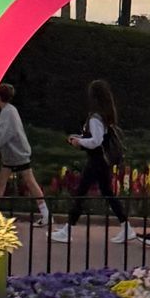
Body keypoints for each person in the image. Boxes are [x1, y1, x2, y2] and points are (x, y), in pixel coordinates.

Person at [56, 78, 129, 239]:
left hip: (96, 161)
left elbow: (96, 141)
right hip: (102, 161)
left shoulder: (95, 117)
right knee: (107, 193)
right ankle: (126, 226)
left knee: (81, 193)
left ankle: (67, 230)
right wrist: (80, 138)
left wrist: (79, 141)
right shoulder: (105, 116)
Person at [0, 82, 49, 226]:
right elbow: (0, 131)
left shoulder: (7, 112)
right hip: (14, 154)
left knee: (26, 182)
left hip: (16, 155)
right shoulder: (10, 110)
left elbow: (0, 133)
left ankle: (46, 215)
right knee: (3, 182)